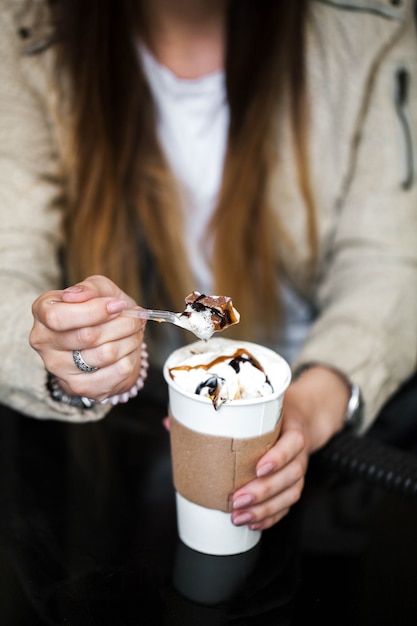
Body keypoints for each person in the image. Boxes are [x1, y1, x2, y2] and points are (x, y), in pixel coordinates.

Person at [1, 0, 417, 532]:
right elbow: (7, 269)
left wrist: (314, 403)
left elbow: (388, 262)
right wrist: (70, 349)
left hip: (340, 445)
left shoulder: (370, 21)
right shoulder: (23, 28)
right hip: (127, 443)